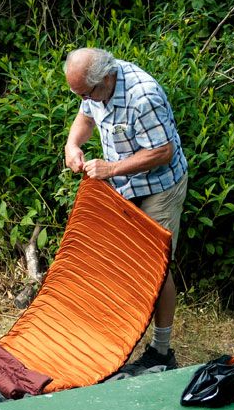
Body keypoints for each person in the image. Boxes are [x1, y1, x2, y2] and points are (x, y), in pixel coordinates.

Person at [61, 46, 187, 369]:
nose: (84, 99)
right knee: (120, 261)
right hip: (126, 186)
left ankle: (162, 351)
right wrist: (72, 144)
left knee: (156, 268)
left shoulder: (143, 96)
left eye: (85, 92)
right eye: (79, 94)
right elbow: (85, 117)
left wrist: (111, 169)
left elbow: (163, 151)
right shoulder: (94, 89)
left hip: (160, 186)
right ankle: (116, 339)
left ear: (104, 79)